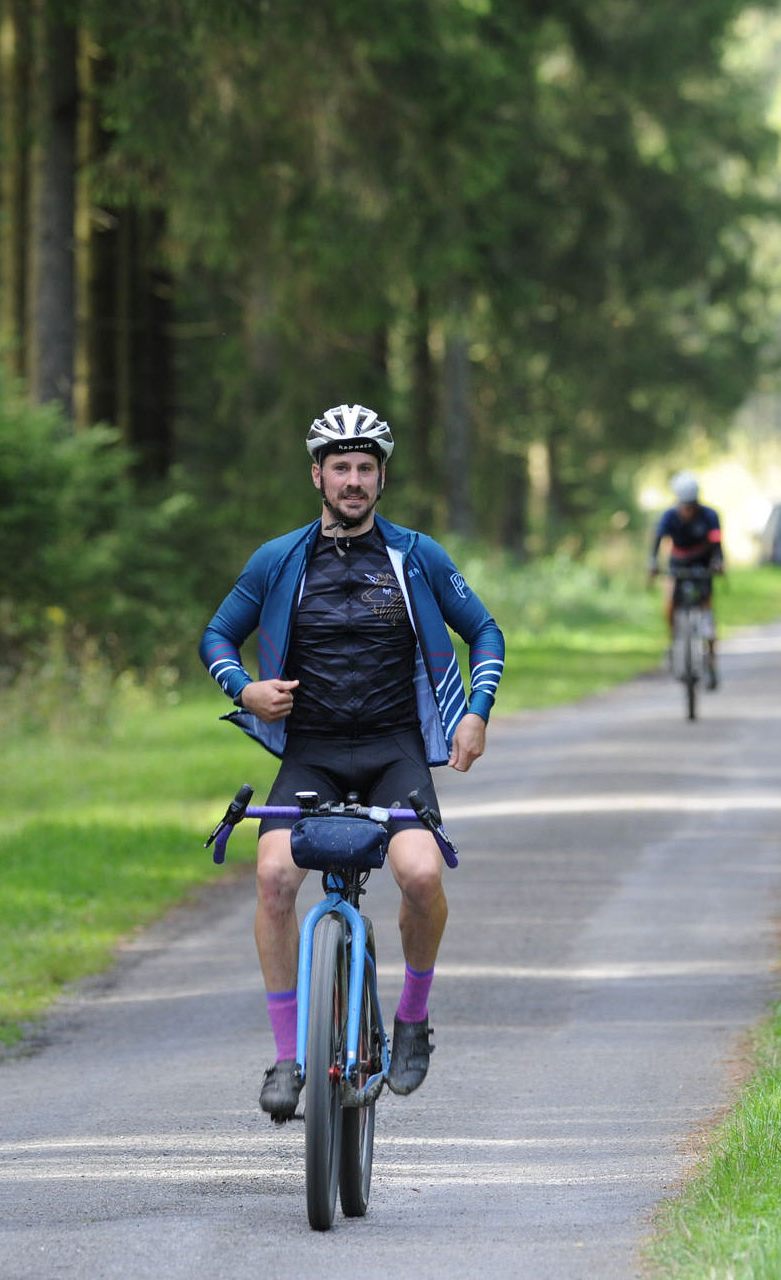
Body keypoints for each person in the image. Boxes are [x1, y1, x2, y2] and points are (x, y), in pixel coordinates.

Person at [199, 404, 506, 1122]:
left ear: (382, 477)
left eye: (366, 468)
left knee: (422, 875)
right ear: (317, 475)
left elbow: (485, 631)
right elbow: (218, 634)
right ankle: (285, 1055)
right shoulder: (280, 559)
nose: (354, 480)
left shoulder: (417, 556)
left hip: (395, 750)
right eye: (341, 467)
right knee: (274, 876)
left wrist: (476, 713)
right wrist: (243, 687)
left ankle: (412, 1019)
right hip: (313, 753)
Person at [647, 471, 725, 689]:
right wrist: (653, 563)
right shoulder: (669, 516)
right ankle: (673, 643)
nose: (687, 510)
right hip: (678, 564)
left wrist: (718, 562)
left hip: (703, 564)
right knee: (670, 602)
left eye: (691, 505)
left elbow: (717, 543)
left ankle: (711, 661)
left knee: (707, 612)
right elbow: (657, 540)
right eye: (684, 505)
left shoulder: (710, 516)